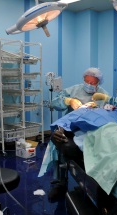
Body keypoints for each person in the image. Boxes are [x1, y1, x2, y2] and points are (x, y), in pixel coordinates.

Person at [46, 68, 108, 199]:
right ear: (83, 80)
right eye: (87, 81)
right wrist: (68, 101)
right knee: (59, 141)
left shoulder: (102, 94)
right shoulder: (73, 90)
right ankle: (61, 183)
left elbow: (112, 108)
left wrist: (101, 105)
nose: (89, 85)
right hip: (71, 128)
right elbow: (55, 102)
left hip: (92, 129)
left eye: (93, 83)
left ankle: (94, 183)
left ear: (98, 83)